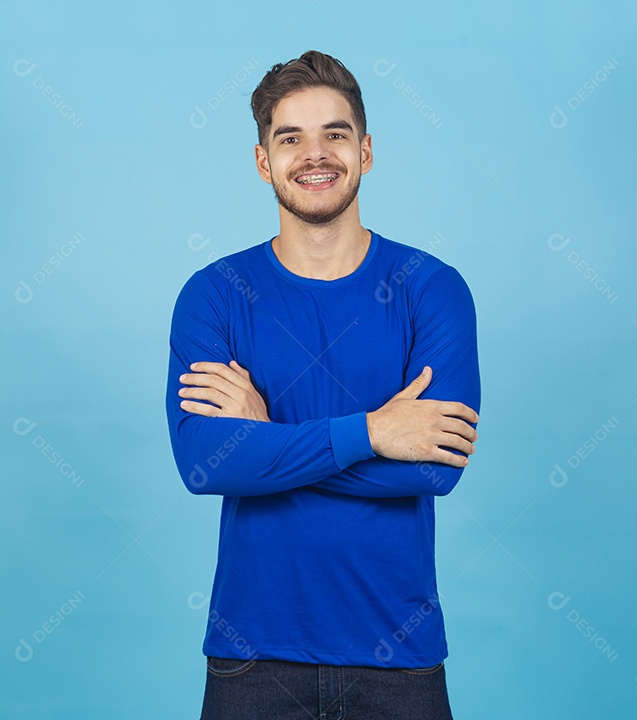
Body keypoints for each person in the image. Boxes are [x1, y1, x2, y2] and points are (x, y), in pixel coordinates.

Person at [166, 49, 481, 720]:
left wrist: (267, 441)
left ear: (365, 151)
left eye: (335, 134)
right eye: (291, 138)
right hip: (252, 657)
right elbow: (203, 463)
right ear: (263, 162)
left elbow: (434, 472)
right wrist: (374, 432)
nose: (316, 155)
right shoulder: (215, 296)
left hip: (399, 658)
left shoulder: (431, 289)